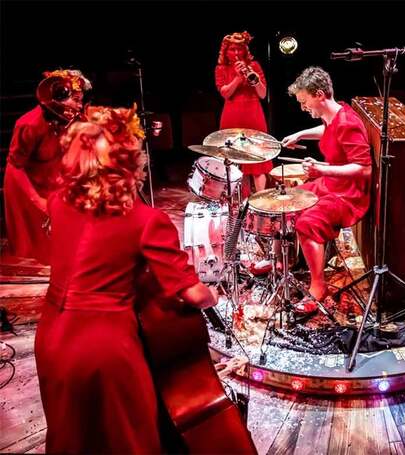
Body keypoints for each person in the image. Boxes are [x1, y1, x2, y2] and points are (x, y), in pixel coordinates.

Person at [34, 105, 216, 453]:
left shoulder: (58, 203)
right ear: (130, 158)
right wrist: (213, 295)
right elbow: (192, 294)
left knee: (72, 437)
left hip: (51, 338)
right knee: (128, 437)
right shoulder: (145, 220)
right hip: (103, 346)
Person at [281, 66, 372, 315]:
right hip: (332, 184)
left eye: (304, 101)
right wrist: (300, 134)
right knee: (290, 201)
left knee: (307, 222)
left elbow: (365, 169)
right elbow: (329, 130)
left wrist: (322, 170)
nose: (303, 108)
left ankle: (318, 285)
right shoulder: (335, 114)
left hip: (348, 195)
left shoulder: (348, 123)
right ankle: (300, 259)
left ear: (319, 94)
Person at [3, 69, 91, 263]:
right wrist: (39, 201)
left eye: (81, 99)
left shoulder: (72, 119)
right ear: (58, 98)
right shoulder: (29, 125)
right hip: (26, 186)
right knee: (39, 250)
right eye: (75, 99)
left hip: (50, 178)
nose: (80, 105)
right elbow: (16, 166)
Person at [215, 31, 271, 193]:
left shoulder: (255, 66)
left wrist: (253, 78)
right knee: (237, 164)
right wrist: (238, 78)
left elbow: (262, 94)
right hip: (232, 116)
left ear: (245, 50)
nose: (237, 53)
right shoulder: (220, 68)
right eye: (232, 49)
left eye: (240, 49)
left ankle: (260, 202)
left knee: (257, 163)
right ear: (225, 51)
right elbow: (225, 93)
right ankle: (243, 202)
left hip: (253, 115)